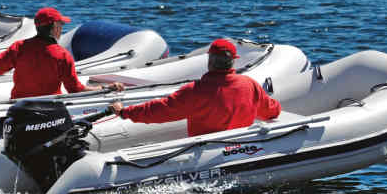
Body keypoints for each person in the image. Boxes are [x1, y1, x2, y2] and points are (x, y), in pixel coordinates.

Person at [108, 38, 280, 136]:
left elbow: (160, 111)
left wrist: (125, 112)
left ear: (209, 59)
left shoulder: (195, 91)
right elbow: (272, 111)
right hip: (242, 149)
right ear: (233, 60)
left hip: (206, 153)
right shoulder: (249, 85)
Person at [0, 7, 123, 99]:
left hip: (19, 106)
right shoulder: (62, 55)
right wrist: (105, 88)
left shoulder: (19, 47)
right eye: (61, 24)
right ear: (55, 28)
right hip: (49, 108)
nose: (62, 28)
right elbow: (75, 89)